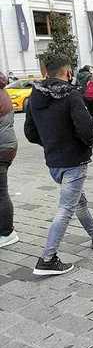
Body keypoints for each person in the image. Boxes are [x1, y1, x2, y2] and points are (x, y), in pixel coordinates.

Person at [24, 52, 93, 276]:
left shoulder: (35, 95)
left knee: (78, 201)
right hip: (74, 160)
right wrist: (85, 145)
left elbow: (30, 132)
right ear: (69, 72)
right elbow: (87, 130)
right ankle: (47, 259)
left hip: (54, 161)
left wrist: (51, 143)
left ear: (45, 72)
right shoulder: (71, 94)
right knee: (67, 208)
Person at [0, 72, 18, 249]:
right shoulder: (2, 89)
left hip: (2, 149)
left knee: (1, 193)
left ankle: (7, 233)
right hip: (7, 146)